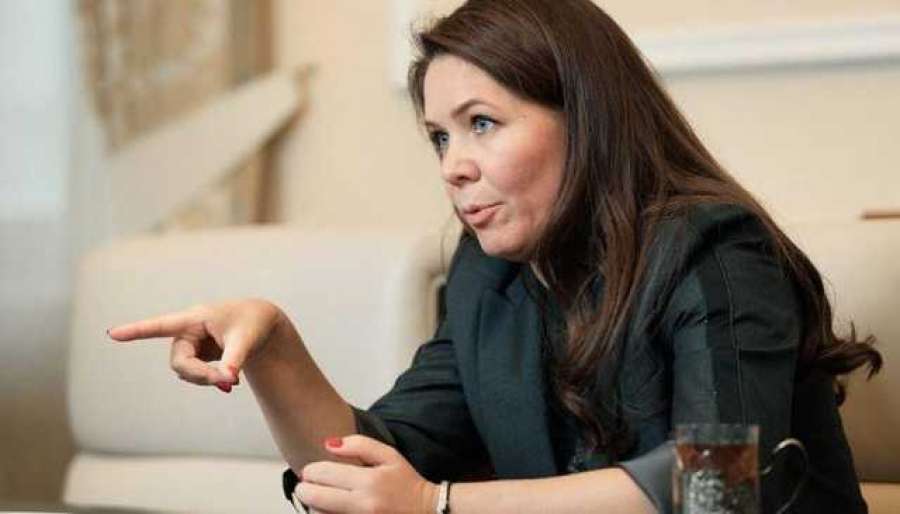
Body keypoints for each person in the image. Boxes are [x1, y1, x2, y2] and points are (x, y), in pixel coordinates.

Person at [108, 0, 883, 512]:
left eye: (481, 123)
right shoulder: (489, 272)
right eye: (439, 137)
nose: (453, 165)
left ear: (586, 119)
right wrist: (276, 350)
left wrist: (438, 505)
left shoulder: (716, 250)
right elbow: (373, 470)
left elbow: (723, 483)